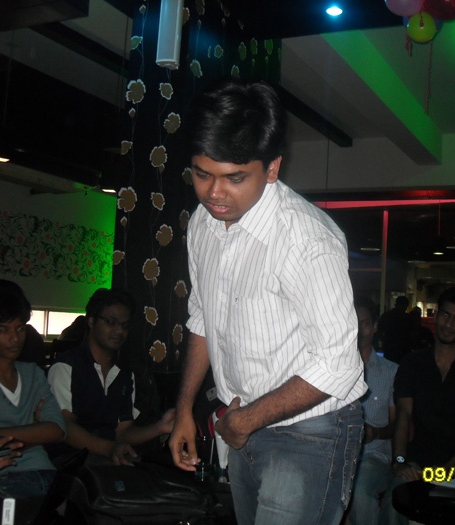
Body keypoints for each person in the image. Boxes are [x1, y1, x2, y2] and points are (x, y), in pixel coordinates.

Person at [168, 79, 366, 525]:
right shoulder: (202, 223)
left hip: (311, 429)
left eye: (235, 178)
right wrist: (184, 410)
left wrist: (244, 421)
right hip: (240, 421)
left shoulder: (306, 239)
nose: (214, 193)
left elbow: (339, 364)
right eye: (202, 174)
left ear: (272, 168)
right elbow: (202, 317)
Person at [382, 286, 455, 524]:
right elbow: (403, 415)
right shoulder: (413, 364)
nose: (449, 324)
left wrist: (446, 470)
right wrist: (399, 462)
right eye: (445, 315)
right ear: (436, 316)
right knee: (394, 499)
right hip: (417, 462)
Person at [48, 288, 175, 465]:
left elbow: (122, 432)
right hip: (69, 460)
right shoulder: (66, 367)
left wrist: (160, 427)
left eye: (125, 325)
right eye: (111, 322)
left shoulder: (125, 374)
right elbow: (64, 427)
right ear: (91, 321)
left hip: (107, 458)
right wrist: (110, 449)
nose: (119, 331)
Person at [0, 287, 66, 500]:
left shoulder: (33, 374)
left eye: (20, 329)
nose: (15, 338)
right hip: (0, 479)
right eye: (3, 330)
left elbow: (58, 429)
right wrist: (36, 430)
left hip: (44, 472)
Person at [346, 298, 398, 525]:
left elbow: (398, 425)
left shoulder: (391, 371)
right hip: (337, 455)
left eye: (364, 324)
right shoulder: (335, 370)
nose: (358, 331)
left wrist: (374, 433)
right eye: (353, 324)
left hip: (373, 456)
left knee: (359, 490)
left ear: (374, 326)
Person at [377, 296, 412, 363]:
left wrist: (385, 340)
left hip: (390, 348)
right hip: (403, 350)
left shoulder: (386, 316)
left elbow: (379, 332)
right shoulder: (408, 318)